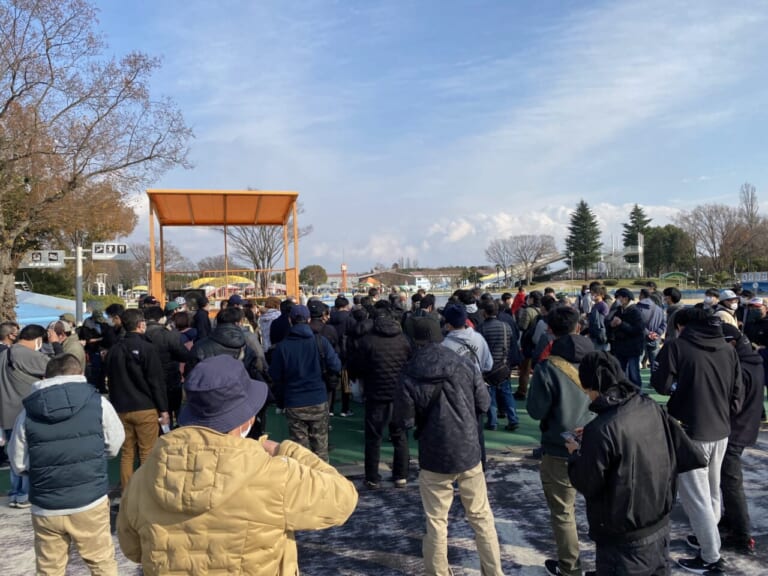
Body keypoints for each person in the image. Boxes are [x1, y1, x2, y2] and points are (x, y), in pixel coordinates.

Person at [117, 355, 358, 575]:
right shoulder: (273, 474)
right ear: (247, 418)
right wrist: (285, 450)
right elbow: (343, 498)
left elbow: (133, 549)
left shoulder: (144, 475)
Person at [394, 321, 503, 576]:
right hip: (468, 449)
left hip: (434, 454)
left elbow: (405, 420)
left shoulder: (409, 373)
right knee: (481, 517)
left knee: (436, 521)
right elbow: (484, 404)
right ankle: (494, 572)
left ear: (413, 340)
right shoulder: (464, 364)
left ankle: (438, 572)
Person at [7, 354, 124, 575]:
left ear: (46, 377)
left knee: (49, 568)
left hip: (46, 505)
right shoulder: (98, 402)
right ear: (80, 373)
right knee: (101, 563)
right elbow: (114, 444)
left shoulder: (28, 412)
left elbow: (18, 461)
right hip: (90, 499)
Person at [567, 352, 676, 576]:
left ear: (592, 387)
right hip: (659, 524)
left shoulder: (601, 429)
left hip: (623, 539)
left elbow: (587, 482)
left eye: (586, 390)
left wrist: (576, 454)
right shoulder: (649, 405)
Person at [651, 307, 742, 575]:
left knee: (695, 498)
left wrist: (680, 387)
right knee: (712, 490)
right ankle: (708, 539)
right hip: (721, 428)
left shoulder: (677, 347)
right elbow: (737, 391)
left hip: (690, 430)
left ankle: (711, 556)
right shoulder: (727, 348)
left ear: (681, 325)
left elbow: (661, 384)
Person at [527, 306, 594, 576]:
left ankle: (570, 567)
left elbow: (536, 410)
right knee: (605, 506)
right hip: (600, 443)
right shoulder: (599, 359)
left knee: (564, 512)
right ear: (578, 327)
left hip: (560, 447)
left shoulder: (548, 367)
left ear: (550, 331)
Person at [105, 309, 169, 491]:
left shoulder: (114, 350)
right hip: (145, 406)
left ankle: (127, 492)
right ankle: (146, 491)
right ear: (141, 325)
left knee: (127, 453)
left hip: (121, 407)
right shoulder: (147, 348)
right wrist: (163, 409)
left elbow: (108, 377)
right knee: (147, 451)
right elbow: (156, 382)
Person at [349, 300, 411, 487]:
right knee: (400, 436)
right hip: (399, 394)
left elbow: (356, 366)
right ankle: (401, 475)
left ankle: (372, 477)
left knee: (373, 438)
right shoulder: (403, 340)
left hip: (375, 394)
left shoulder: (368, 341)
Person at [269, 304, 341, 461]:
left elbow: (275, 375)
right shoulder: (320, 342)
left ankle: (304, 475)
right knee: (321, 448)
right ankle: (323, 475)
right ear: (308, 320)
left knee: (300, 452)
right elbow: (336, 365)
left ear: (290, 320)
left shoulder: (282, 347)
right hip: (318, 398)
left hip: (294, 401)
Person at [717, 325, 763, 555]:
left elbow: (734, 403)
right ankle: (731, 519)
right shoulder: (752, 361)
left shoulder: (742, 368)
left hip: (736, 430)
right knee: (727, 480)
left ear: (732, 343)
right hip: (744, 427)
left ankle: (742, 536)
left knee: (731, 482)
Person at [0, 324, 53, 508]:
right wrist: (55, 345)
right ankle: (25, 494)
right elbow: (56, 368)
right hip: (26, 412)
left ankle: (16, 493)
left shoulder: (4, 353)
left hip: (6, 414)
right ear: (38, 339)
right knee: (29, 456)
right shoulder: (24, 353)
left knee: (15, 455)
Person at [606, 288, 644, 389]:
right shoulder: (619, 310)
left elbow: (638, 330)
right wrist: (611, 324)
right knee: (621, 373)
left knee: (634, 374)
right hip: (620, 347)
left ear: (626, 298)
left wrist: (621, 324)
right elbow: (609, 321)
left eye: (619, 298)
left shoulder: (635, 311)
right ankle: (624, 392)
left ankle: (637, 393)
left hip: (632, 348)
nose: (617, 300)